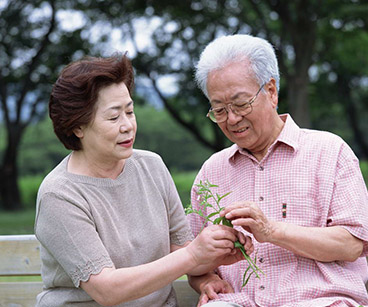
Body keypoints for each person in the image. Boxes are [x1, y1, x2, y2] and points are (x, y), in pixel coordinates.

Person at [34, 54, 254, 307]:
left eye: (130, 111)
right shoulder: (60, 195)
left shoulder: (151, 166)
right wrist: (194, 255)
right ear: (77, 127)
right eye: (114, 117)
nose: (128, 125)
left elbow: (180, 250)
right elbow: (107, 290)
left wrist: (215, 259)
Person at [187, 34, 368, 307]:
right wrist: (206, 280)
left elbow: (351, 245)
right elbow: (194, 260)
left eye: (241, 104)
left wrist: (271, 231)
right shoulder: (212, 171)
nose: (232, 119)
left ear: (271, 92)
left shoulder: (329, 152)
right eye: (219, 110)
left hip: (319, 301)